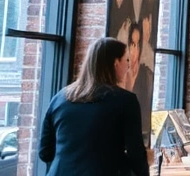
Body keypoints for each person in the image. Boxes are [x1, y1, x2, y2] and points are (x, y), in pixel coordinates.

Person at [38, 37, 149, 176]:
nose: (128, 66)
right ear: (115, 63)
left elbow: (45, 153)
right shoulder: (125, 100)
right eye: (126, 60)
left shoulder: (59, 98)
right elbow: (136, 153)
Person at [125, 21, 153, 139]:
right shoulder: (121, 75)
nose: (134, 51)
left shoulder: (146, 75)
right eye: (132, 44)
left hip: (142, 135)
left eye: (137, 45)